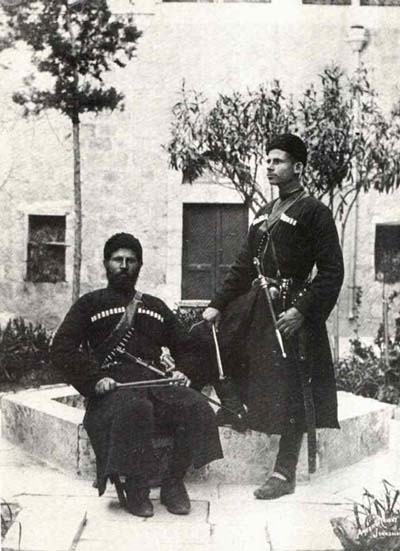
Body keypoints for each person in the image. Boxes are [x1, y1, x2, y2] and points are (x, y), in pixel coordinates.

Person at [202, 134, 344, 500]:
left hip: (290, 312)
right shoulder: (265, 213)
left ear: (298, 167)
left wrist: (302, 311)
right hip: (258, 306)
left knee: (293, 385)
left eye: (277, 161)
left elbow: (332, 271)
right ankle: (235, 407)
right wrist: (217, 303)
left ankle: (284, 472)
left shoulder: (314, 212)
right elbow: (242, 267)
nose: (269, 166)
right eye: (267, 160)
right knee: (210, 342)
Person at [51, 233, 223, 518]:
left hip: (157, 385)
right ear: (106, 264)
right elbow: (62, 348)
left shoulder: (155, 306)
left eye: (130, 260)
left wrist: (183, 371)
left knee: (196, 406)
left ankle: (173, 482)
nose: (123, 266)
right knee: (136, 409)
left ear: (139, 265)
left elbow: (188, 347)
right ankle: (136, 487)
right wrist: (94, 380)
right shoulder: (89, 304)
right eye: (117, 260)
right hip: (113, 389)